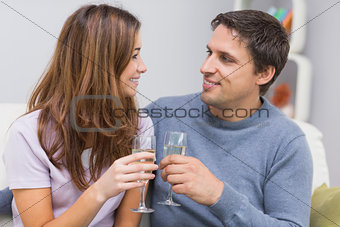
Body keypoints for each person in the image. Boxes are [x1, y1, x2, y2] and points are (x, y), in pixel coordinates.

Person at [146, 10, 313, 226]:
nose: (205, 67)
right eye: (209, 53)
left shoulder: (287, 143)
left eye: (226, 59)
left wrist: (219, 195)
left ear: (264, 74)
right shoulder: (164, 113)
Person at [2, 4, 158, 227]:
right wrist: (100, 191)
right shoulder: (27, 134)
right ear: (103, 64)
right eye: (134, 56)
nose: (143, 67)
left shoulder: (139, 125)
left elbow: (127, 224)